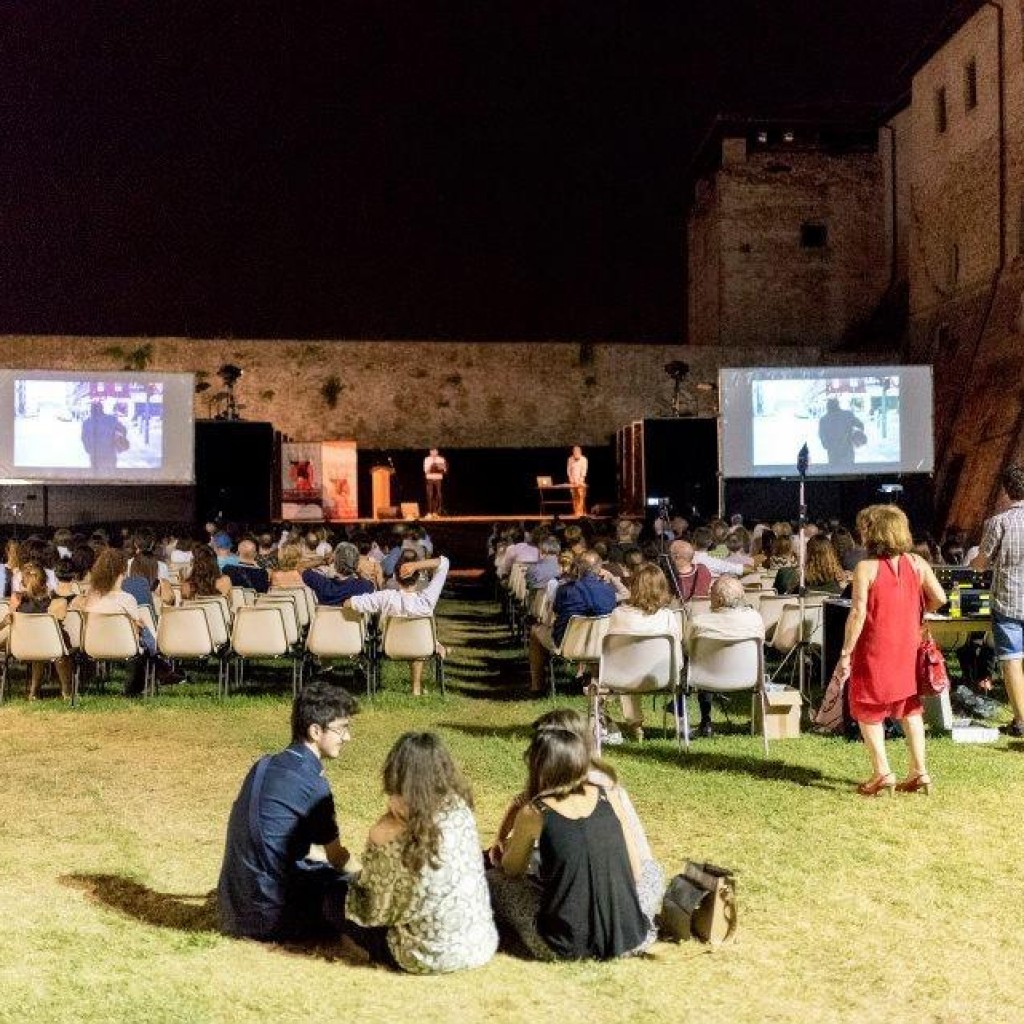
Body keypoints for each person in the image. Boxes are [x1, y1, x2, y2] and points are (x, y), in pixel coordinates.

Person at [487, 727, 653, 961]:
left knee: (495, 880)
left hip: (562, 946)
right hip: (630, 937)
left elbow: (512, 870)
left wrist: (508, 847)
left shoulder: (535, 811)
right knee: (653, 871)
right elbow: (636, 871)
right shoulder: (609, 795)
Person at [344, 732, 497, 973]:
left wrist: (382, 829)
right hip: (477, 945)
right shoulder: (459, 809)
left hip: (425, 955)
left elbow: (374, 909)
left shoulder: (390, 834)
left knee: (334, 897)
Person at [217, 682, 358, 941]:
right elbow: (337, 857)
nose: (347, 737)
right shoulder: (313, 783)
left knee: (314, 861)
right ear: (315, 731)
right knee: (351, 887)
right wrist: (365, 875)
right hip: (274, 919)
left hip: (233, 908)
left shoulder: (263, 765)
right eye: (342, 729)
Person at [837, 505, 946, 796]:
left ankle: (882, 772)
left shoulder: (865, 568)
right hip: (908, 644)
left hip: (874, 646)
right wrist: (914, 613)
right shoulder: (917, 563)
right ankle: (919, 771)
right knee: (910, 706)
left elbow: (857, 613)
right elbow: (939, 597)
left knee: (867, 707)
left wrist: (846, 652)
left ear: (873, 532)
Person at [345, 555, 449, 696]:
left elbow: (350, 603)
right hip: (421, 647)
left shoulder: (385, 597)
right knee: (417, 640)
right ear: (418, 577)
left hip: (389, 647)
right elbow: (444, 563)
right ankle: (416, 688)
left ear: (395, 577)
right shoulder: (427, 600)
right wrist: (416, 566)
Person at [971, 464, 1024, 735]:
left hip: (1008, 600)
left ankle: (1021, 720)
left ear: (1005, 491)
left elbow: (981, 564)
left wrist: (975, 563)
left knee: (1011, 659)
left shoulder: (998, 522)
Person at [607, 563, 682, 741]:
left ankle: (635, 724)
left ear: (634, 585)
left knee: (626, 665)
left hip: (626, 676)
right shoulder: (668, 616)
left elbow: (612, 651)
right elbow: (677, 651)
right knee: (630, 665)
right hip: (663, 676)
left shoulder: (618, 614)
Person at [528, 549, 618, 694]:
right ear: (600, 568)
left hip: (568, 645)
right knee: (595, 630)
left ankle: (537, 686)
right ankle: (595, 679)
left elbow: (556, 611)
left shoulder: (565, 590)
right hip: (599, 646)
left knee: (535, 631)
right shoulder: (609, 591)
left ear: (578, 567)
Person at [686, 576, 765, 738]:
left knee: (699, 661)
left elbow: (687, 648)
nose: (709, 596)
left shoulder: (699, 622)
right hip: (748, 677)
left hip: (706, 677)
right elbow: (761, 643)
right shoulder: (755, 619)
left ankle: (705, 722)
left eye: (711, 593)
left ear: (720, 600)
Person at [302, 541, 374, 606]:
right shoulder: (363, 586)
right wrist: (358, 571)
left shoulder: (320, 582)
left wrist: (324, 561)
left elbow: (300, 567)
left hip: (325, 616)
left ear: (335, 562)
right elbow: (370, 584)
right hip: (349, 617)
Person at [818, 397, 865, 470]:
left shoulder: (824, 420)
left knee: (835, 471)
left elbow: (822, 435)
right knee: (848, 471)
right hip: (847, 449)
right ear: (838, 405)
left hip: (832, 451)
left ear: (827, 407)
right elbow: (860, 425)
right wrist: (856, 436)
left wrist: (826, 445)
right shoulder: (848, 415)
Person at [80, 400, 127, 471]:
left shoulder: (86, 423)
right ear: (102, 409)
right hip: (110, 454)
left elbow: (84, 438)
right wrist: (118, 440)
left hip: (95, 456)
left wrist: (89, 450)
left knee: (96, 475)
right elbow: (123, 430)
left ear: (91, 410)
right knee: (110, 474)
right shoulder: (111, 420)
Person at [423, 448, 448, 518]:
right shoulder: (427, 459)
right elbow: (425, 470)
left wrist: (441, 468)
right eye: (432, 451)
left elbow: (445, 470)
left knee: (438, 495)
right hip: (429, 478)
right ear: (430, 452)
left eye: (435, 451)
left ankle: (436, 512)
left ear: (437, 452)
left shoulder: (441, 459)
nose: (433, 453)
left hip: (438, 478)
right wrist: (431, 466)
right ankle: (429, 512)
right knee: (430, 495)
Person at [567, 445, 588, 517]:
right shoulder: (570, 459)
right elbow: (568, 470)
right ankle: (576, 511)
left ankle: (580, 512)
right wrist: (571, 479)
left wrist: (580, 480)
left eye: (577, 452)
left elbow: (584, 470)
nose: (575, 453)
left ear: (580, 452)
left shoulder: (584, 459)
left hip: (580, 481)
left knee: (581, 496)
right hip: (572, 481)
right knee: (574, 496)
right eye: (574, 452)